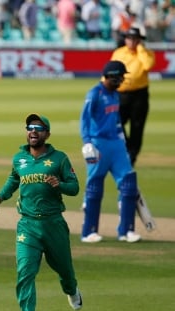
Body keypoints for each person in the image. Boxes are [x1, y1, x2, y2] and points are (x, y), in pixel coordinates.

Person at [0, 114, 83, 311]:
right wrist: (0, 198)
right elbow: (13, 179)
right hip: (27, 225)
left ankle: (71, 289)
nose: (33, 131)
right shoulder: (19, 158)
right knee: (25, 272)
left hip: (53, 224)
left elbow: (75, 188)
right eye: (30, 127)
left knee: (64, 270)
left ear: (47, 134)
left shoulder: (59, 159)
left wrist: (59, 184)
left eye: (38, 128)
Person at [80, 60, 142, 244]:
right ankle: (89, 231)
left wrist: (123, 141)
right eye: (121, 77)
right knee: (94, 187)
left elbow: (116, 122)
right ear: (112, 76)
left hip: (116, 145)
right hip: (98, 144)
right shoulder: (95, 94)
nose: (123, 80)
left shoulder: (115, 95)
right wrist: (87, 143)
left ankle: (126, 231)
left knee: (129, 185)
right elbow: (84, 120)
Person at [111, 26, 156, 165]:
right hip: (121, 93)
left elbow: (148, 66)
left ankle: (132, 156)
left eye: (134, 39)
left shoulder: (146, 53)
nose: (131, 41)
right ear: (125, 39)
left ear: (139, 40)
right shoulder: (119, 52)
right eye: (129, 38)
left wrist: (141, 49)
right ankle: (126, 148)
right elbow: (111, 69)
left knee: (137, 127)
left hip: (139, 95)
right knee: (116, 122)